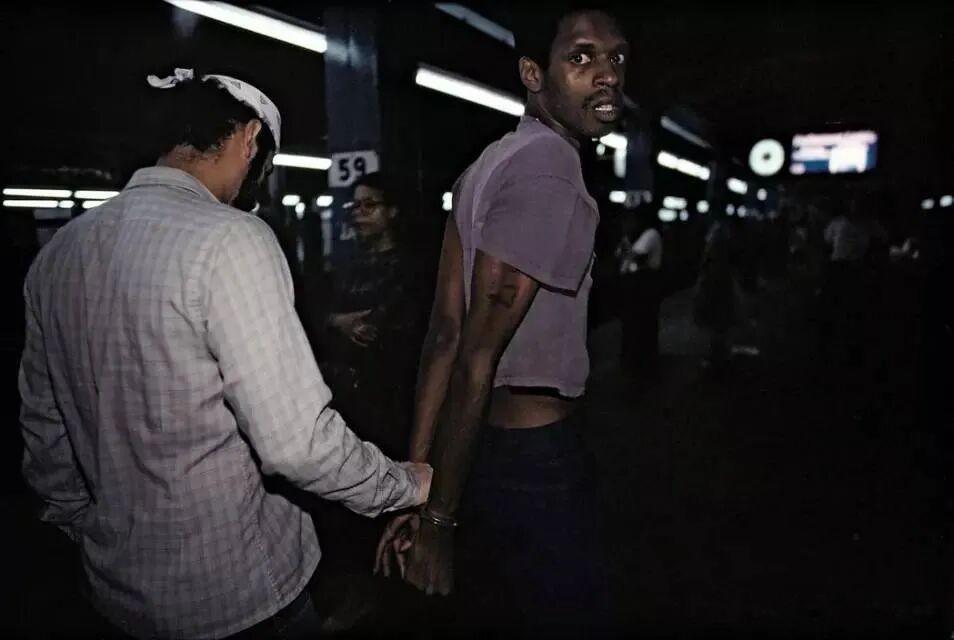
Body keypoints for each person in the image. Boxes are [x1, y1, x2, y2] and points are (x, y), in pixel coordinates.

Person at [17, 68, 431, 640]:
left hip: (114, 594)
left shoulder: (59, 254)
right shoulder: (231, 238)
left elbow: (46, 438)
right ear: (250, 138)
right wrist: (405, 485)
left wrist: (90, 532)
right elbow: (297, 445)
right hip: (240, 596)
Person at [375, 6, 628, 635]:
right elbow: (476, 355)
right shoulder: (550, 168)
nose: (607, 75)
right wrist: (438, 523)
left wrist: (417, 486)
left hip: (479, 451)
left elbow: (443, 336)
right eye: (580, 57)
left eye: (616, 58)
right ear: (533, 74)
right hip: (536, 459)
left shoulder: (485, 165)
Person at [312, 172, 428, 632]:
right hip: (347, 403)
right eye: (355, 206)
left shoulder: (409, 270)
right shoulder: (347, 266)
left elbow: (386, 333)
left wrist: (340, 326)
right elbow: (319, 321)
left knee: (384, 496)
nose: (359, 214)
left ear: (392, 212)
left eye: (370, 205)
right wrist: (338, 324)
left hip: (388, 402)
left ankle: (388, 594)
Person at [616, 208, 664, 378]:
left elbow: (637, 256)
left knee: (644, 323)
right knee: (633, 323)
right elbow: (619, 254)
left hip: (645, 284)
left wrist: (626, 247)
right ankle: (634, 357)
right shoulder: (633, 237)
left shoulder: (651, 234)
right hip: (635, 285)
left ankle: (644, 361)